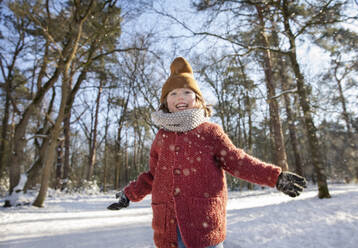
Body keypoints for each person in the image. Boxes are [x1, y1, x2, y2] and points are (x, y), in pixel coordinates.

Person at [107, 57, 307, 248]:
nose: (180, 98)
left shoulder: (210, 132)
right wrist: (129, 194)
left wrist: (275, 177)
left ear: (197, 98)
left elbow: (238, 161)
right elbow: (153, 175)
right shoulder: (162, 136)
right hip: (166, 227)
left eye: (186, 92)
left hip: (203, 227)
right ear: (165, 101)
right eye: (173, 94)